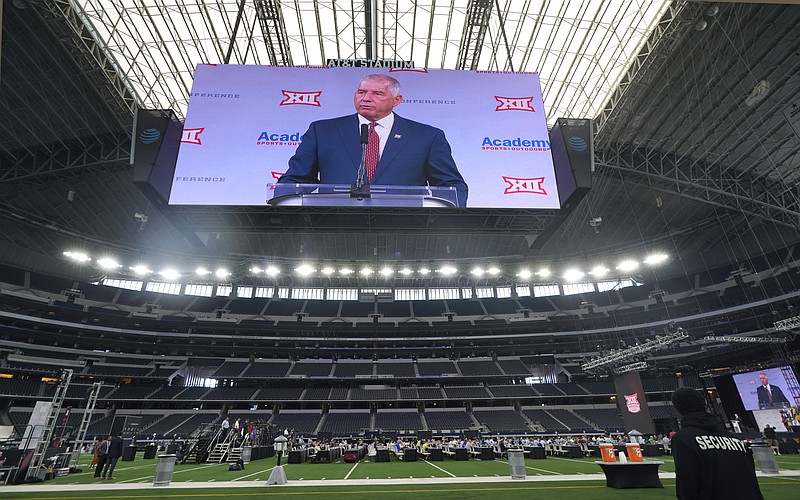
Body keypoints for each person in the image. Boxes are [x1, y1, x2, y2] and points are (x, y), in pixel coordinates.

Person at [278, 74, 468, 207]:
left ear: (397, 100)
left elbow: (452, 187)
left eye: (377, 94)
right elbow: (294, 180)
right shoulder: (323, 131)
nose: (366, 98)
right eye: (361, 92)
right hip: (334, 229)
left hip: (407, 230)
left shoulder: (427, 136)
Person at [670, 387, 763, 499]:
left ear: (677, 408)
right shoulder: (737, 440)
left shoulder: (683, 439)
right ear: (704, 404)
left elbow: (687, 486)